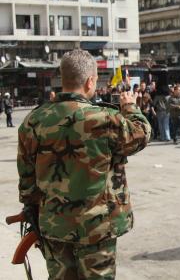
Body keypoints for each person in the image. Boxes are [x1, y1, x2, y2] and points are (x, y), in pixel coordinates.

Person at [16, 49, 151, 279]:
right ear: (90, 81)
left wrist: (33, 211)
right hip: (97, 227)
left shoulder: (33, 121)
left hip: (54, 224)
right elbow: (141, 134)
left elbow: (27, 179)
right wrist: (129, 106)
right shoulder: (104, 118)